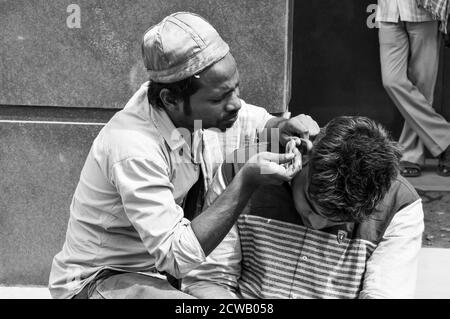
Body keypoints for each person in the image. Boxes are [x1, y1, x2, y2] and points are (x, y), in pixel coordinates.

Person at [48, 12, 319, 299]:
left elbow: (246, 119)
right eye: (219, 98)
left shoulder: (184, 112)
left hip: (156, 278)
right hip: (96, 282)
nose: (235, 103)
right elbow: (177, 257)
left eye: (235, 88)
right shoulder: (133, 147)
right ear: (170, 99)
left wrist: (277, 127)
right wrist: (245, 182)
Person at [182, 116, 424, 299]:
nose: (317, 224)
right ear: (303, 156)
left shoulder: (399, 205)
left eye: (336, 220)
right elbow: (207, 281)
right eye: (310, 205)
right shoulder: (244, 171)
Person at [376, 0, 450, 177]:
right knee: (391, 80)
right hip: (389, 11)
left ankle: (411, 154)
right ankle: (445, 138)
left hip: (423, 11)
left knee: (423, 87)